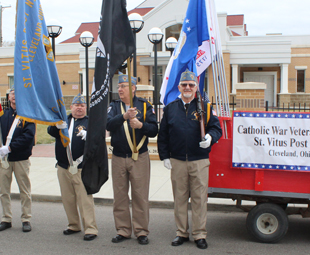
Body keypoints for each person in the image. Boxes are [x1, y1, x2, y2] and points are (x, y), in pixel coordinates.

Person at [158, 69, 222, 250]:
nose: (187, 87)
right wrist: (164, 156)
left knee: (199, 199)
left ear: (196, 87)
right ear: (179, 87)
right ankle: (181, 233)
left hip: (199, 161)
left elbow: (217, 129)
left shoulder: (206, 107)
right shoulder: (170, 108)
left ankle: (199, 234)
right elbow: (163, 135)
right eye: (184, 85)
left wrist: (210, 137)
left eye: (191, 85)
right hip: (177, 161)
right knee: (179, 199)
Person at [106, 74, 158, 245]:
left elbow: (154, 130)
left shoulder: (144, 105)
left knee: (140, 196)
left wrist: (141, 126)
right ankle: (123, 230)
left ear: (133, 88)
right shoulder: (114, 106)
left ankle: (141, 231)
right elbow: (108, 125)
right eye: (119, 86)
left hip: (139, 157)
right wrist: (124, 117)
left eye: (123, 86)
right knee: (120, 196)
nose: (119, 89)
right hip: (119, 157)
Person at [47, 94, 99, 241]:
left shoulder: (90, 122)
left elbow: (98, 141)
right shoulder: (64, 120)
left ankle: (90, 228)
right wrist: (56, 125)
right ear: (71, 107)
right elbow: (51, 133)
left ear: (86, 108)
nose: (79, 108)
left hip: (82, 167)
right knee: (68, 198)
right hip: (64, 167)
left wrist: (89, 136)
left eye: (82, 106)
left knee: (85, 199)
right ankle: (73, 225)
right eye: (76, 105)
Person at [0, 87, 35, 233]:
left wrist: (10, 148)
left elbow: (28, 137)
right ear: (8, 97)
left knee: (24, 191)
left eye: (18, 93)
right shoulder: (2, 114)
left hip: (20, 158)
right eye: (12, 94)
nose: (15, 96)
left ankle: (26, 219)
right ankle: (6, 218)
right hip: (4, 160)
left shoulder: (27, 115)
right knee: (4, 191)